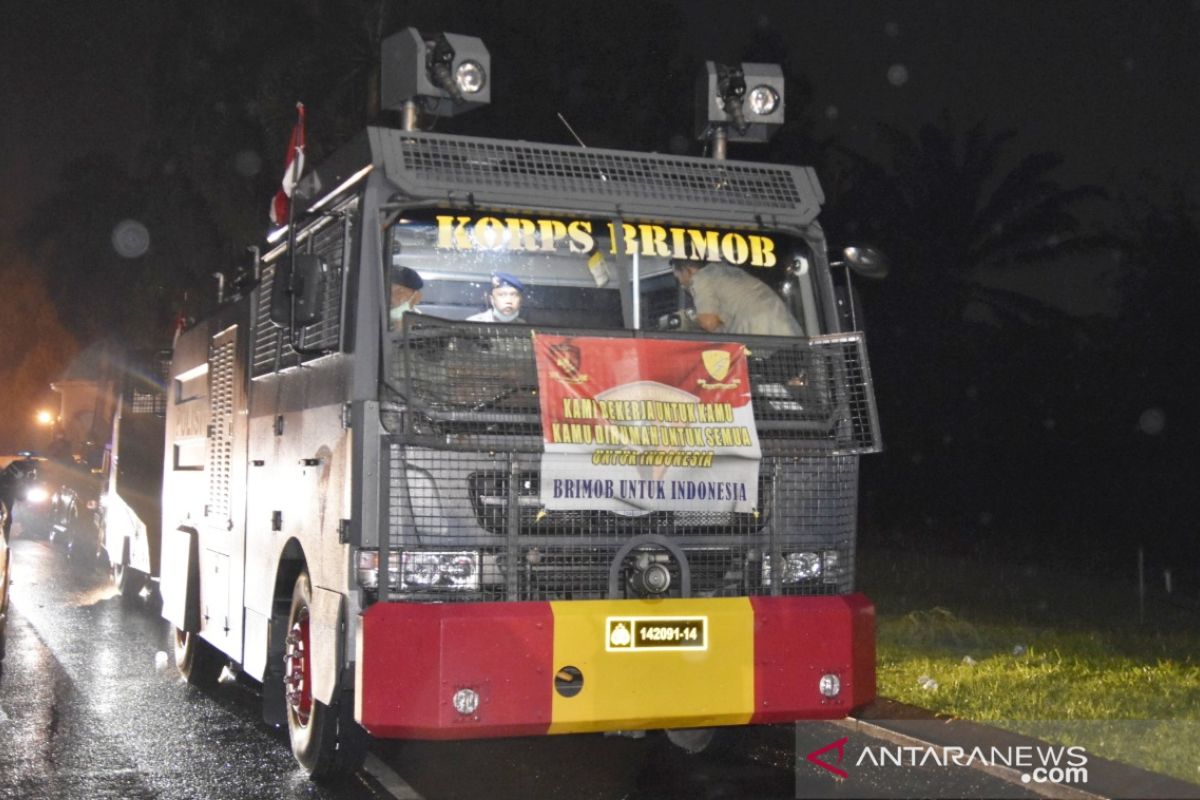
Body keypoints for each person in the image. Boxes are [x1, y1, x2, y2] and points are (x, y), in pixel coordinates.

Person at [670, 259, 805, 337]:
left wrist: (688, 323)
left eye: (678, 278)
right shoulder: (727, 271)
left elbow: (708, 323)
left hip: (761, 340)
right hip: (790, 334)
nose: (681, 283)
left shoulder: (701, 278)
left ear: (687, 269)